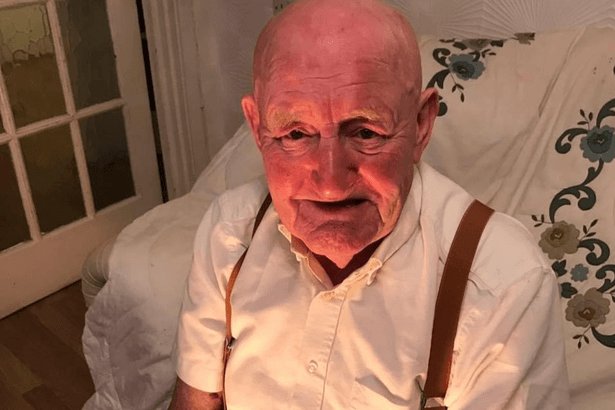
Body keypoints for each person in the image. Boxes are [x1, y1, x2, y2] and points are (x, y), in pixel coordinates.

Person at [168, 0, 570, 409]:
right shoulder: (230, 232)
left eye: (365, 132)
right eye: (295, 135)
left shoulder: (504, 284)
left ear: (421, 125)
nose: (330, 185)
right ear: (257, 128)